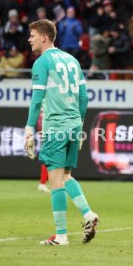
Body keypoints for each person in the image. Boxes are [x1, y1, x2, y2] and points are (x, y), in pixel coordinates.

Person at [24, 19, 99, 245]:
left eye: (33, 35)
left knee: (55, 180)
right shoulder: (72, 60)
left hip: (55, 126)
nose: (29, 39)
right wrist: (80, 126)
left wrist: (29, 130)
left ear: (44, 37)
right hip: (74, 125)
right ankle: (88, 214)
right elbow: (84, 98)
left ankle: (61, 235)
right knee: (66, 176)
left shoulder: (41, 63)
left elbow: (37, 101)